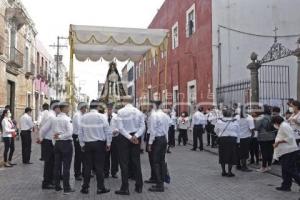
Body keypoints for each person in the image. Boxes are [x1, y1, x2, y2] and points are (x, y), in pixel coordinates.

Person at [78, 100, 111, 195]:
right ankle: (100, 188)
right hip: (99, 144)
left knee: (87, 167)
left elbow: (80, 132)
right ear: (98, 107)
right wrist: (108, 143)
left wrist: (82, 144)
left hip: (87, 144)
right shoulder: (102, 117)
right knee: (99, 167)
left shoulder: (84, 117)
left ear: (90, 107)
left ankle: (85, 188)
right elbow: (107, 131)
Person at [115, 96, 145, 195]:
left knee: (124, 164)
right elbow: (143, 127)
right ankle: (139, 186)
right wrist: (135, 136)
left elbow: (120, 128)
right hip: (135, 138)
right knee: (136, 162)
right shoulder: (138, 112)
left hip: (124, 138)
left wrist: (129, 137)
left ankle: (125, 188)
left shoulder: (120, 112)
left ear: (124, 101)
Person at [272, 115, 300, 192]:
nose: (274, 125)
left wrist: (278, 142)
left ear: (276, 122)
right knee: (285, 169)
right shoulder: (282, 125)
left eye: (274, 123)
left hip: (289, 151)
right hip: (285, 152)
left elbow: (290, 137)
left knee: (290, 169)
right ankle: (286, 186)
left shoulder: (284, 126)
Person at [147, 100, 170, 192]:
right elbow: (167, 130)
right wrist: (167, 142)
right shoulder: (165, 116)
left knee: (155, 162)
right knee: (161, 162)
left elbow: (152, 131)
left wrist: (149, 143)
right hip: (163, 139)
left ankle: (159, 184)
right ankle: (160, 183)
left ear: (154, 106)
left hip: (157, 140)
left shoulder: (154, 115)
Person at [52, 102, 74, 194]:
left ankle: (57, 186)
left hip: (57, 144)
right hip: (66, 144)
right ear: (64, 108)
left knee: (57, 166)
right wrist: (61, 137)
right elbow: (70, 133)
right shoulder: (67, 119)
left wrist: (56, 141)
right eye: (68, 107)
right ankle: (66, 187)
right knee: (66, 167)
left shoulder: (55, 119)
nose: (69, 109)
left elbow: (53, 133)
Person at [39, 100, 60, 190]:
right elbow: (43, 129)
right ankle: (46, 183)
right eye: (60, 107)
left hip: (49, 142)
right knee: (49, 164)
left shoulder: (51, 115)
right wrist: (41, 139)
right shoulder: (51, 117)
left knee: (51, 163)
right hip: (48, 142)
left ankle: (50, 181)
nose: (61, 109)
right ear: (56, 107)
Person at [215, 109, 239, 177]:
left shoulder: (219, 121)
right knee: (231, 156)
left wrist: (219, 135)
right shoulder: (235, 121)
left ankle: (223, 171)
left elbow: (215, 130)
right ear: (231, 114)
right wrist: (238, 141)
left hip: (222, 139)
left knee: (222, 155)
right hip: (232, 140)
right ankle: (229, 172)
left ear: (223, 114)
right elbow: (238, 132)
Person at [255, 105, 276, 173]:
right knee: (270, 151)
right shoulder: (271, 116)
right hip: (272, 136)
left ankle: (263, 167)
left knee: (264, 152)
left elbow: (257, 127)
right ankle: (269, 166)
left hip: (263, 137)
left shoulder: (260, 117)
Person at [236, 105, 254, 172]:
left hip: (237, 137)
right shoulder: (249, 118)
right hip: (246, 137)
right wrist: (252, 136)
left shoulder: (236, 117)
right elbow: (252, 129)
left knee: (238, 151)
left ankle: (238, 165)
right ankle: (244, 166)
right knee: (245, 153)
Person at [72, 102, 88, 181]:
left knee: (83, 155)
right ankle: (77, 173)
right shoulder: (77, 115)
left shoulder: (82, 115)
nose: (86, 109)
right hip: (77, 137)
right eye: (85, 107)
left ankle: (83, 172)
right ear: (82, 108)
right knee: (78, 156)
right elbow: (80, 127)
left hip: (82, 136)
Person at [104, 103, 119, 179]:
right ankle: (106, 172)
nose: (109, 110)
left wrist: (116, 130)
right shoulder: (103, 116)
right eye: (108, 109)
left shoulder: (116, 116)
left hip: (114, 138)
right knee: (106, 156)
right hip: (106, 138)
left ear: (112, 109)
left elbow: (119, 126)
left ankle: (114, 172)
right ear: (106, 109)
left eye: (111, 109)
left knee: (115, 156)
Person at [144, 105, 156, 184]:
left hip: (151, 138)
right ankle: (154, 176)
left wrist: (149, 143)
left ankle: (154, 177)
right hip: (154, 138)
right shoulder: (151, 115)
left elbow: (152, 130)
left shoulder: (152, 116)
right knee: (153, 159)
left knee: (152, 159)